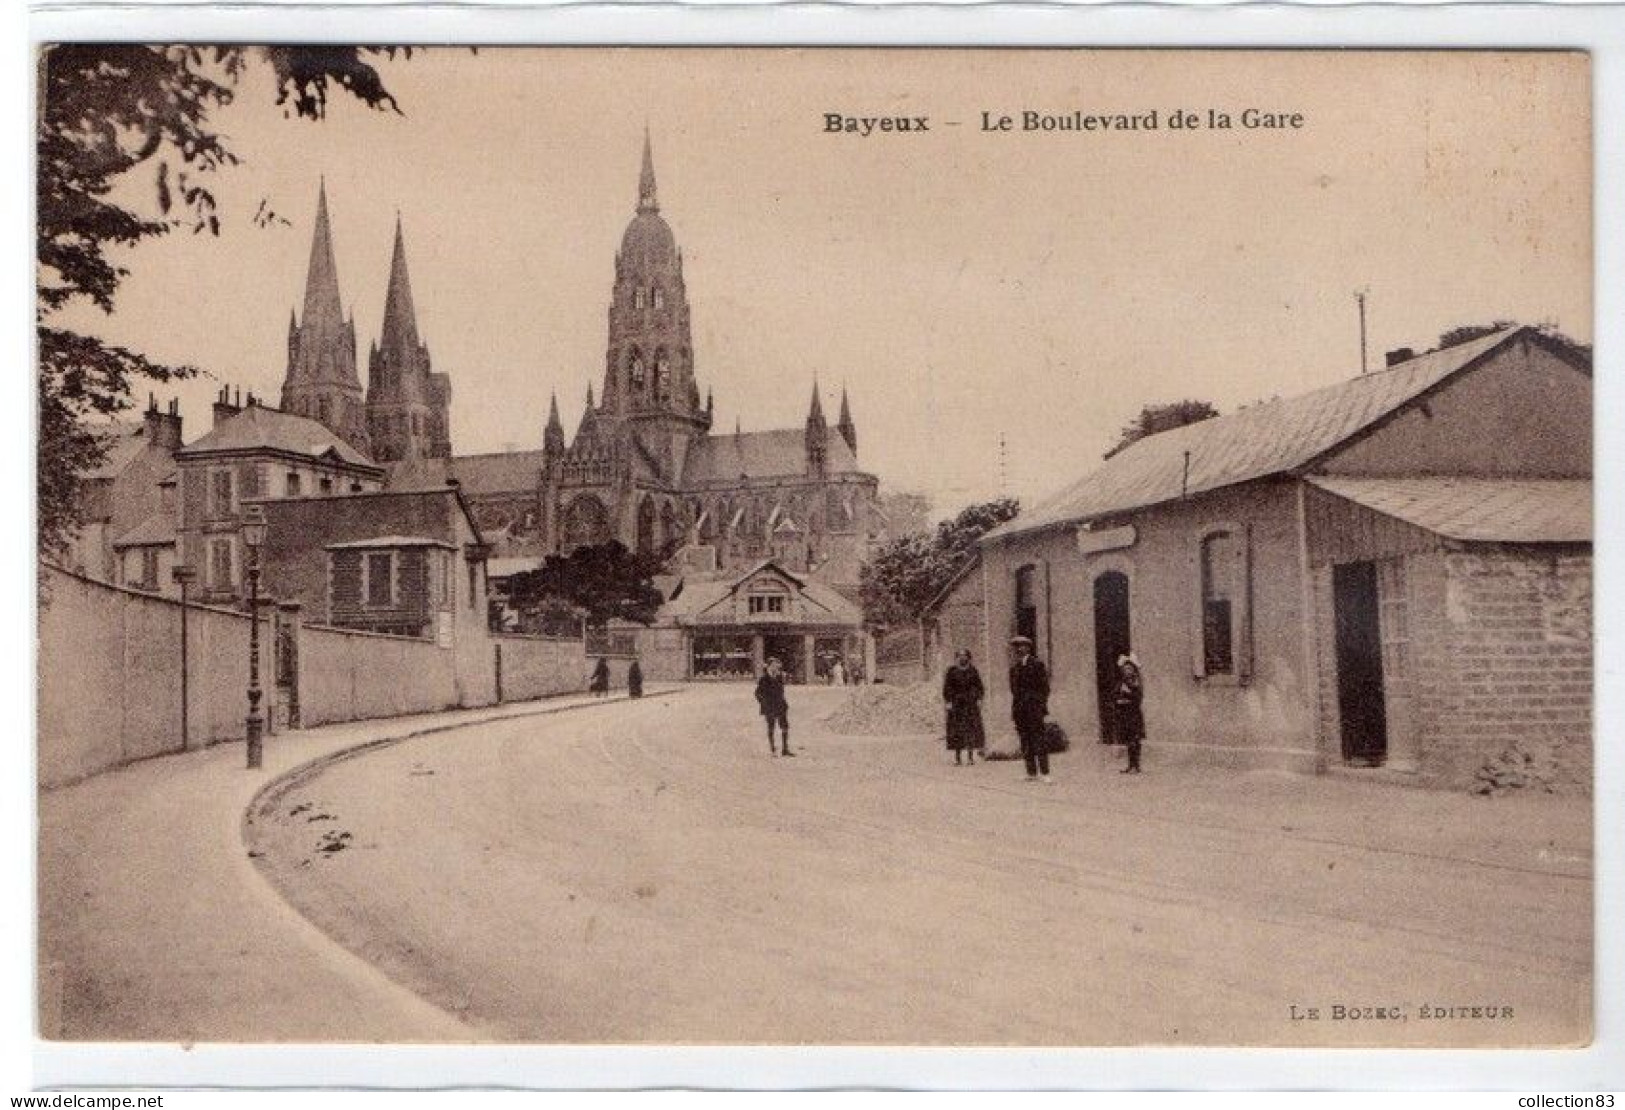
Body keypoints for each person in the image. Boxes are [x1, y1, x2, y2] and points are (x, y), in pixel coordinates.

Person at [1008, 635, 1052, 782]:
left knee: (1039, 740)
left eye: (1021, 646)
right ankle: (1031, 772)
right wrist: (1016, 709)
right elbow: (1014, 690)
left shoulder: (1037, 664)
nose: (1018, 649)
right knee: (1025, 741)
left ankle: (1045, 773)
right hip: (1020, 710)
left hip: (1034, 709)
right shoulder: (1014, 669)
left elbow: (1045, 688)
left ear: (1028, 648)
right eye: (1016, 647)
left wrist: (1039, 704)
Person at [942, 650, 986, 766]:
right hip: (957, 706)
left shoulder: (973, 671)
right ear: (957, 658)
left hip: (970, 705)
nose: (962, 658)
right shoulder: (952, 671)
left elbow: (979, 686)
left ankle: (970, 757)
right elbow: (947, 687)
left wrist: (979, 699)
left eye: (965, 656)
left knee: (970, 731)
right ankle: (958, 758)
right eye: (960, 656)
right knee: (957, 732)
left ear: (968, 658)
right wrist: (949, 701)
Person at [755, 656, 795, 757]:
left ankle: (785, 749)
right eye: (773, 665)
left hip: (781, 705)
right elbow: (757, 693)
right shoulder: (763, 679)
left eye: (776, 665)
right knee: (771, 727)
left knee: (785, 727)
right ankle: (773, 749)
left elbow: (782, 691)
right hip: (770, 706)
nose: (775, 668)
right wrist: (764, 703)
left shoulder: (779, 677)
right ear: (768, 667)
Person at [1114, 654, 1145, 774]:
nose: (1127, 671)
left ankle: (1136, 766)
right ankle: (1130, 765)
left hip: (1133, 714)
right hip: (1124, 713)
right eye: (1125, 669)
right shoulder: (1122, 682)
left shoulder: (1136, 682)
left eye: (1129, 669)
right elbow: (1115, 694)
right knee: (1128, 740)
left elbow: (1138, 698)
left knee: (1134, 739)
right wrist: (1118, 699)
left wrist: (1127, 695)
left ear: (1133, 670)